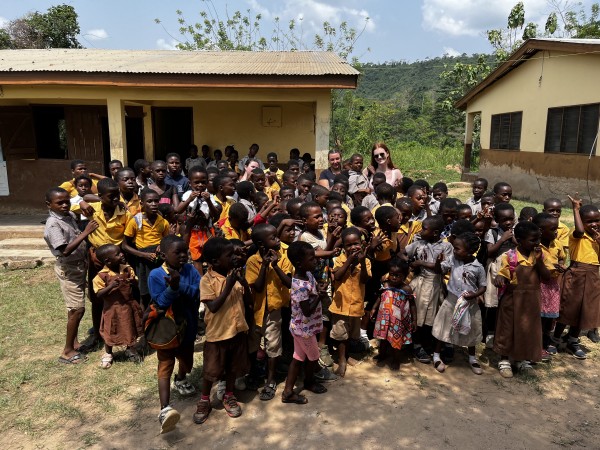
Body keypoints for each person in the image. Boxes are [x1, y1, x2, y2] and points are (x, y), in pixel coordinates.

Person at [194, 237, 251, 424]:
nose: (234, 257)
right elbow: (214, 306)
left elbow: (248, 301)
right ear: (215, 261)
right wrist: (229, 284)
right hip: (218, 335)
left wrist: (243, 283)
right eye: (229, 255)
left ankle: (228, 394)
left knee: (232, 368)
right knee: (211, 371)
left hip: (237, 331)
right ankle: (204, 400)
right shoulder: (207, 280)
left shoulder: (235, 275)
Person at [148, 235, 200, 434]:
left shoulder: (190, 270)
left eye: (185, 251)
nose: (183, 256)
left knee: (187, 361)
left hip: (188, 327)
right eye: (177, 252)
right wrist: (172, 288)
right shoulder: (155, 275)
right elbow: (160, 302)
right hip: (166, 330)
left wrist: (180, 286)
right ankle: (164, 408)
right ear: (163, 254)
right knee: (165, 365)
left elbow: (199, 292)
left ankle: (181, 378)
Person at [44, 187, 98, 364]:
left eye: (67, 201)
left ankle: (74, 342)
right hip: (69, 269)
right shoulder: (53, 224)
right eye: (60, 203)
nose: (65, 205)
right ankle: (67, 351)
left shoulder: (69, 217)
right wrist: (86, 233)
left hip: (79, 267)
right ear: (49, 205)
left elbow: (80, 200)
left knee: (75, 309)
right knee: (77, 309)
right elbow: (65, 250)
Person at [494, 221, 552, 377]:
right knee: (508, 329)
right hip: (512, 300)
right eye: (533, 240)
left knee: (527, 330)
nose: (537, 243)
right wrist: (499, 278)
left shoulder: (539, 255)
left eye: (538, 239)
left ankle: (522, 359)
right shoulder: (510, 256)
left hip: (531, 301)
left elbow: (547, 277)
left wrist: (539, 261)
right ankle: (504, 359)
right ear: (519, 240)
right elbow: (502, 275)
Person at [245, 223, 293, 401]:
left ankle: (271, 380)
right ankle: (253, 373)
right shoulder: (253, 261)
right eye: (273, 238)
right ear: (260, 243)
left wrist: (275, 266)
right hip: (256, 310)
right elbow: (257, 287)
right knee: (253, 343)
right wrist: (265, 265)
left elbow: (288, 282)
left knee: (273, 345)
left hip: (274, 310)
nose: (278, 240)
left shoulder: (283, 258)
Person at [431, 232, 487, 374]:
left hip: (470, 304)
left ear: (470, 252)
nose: (454, 251)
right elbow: (440, 270)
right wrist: (438, 262)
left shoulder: (478, 267)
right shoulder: (452, 260)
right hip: (451, 301)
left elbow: (483, 287)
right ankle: (436, 356)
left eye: (457, 249)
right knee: (444, 328)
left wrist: (474, 295)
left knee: (472, 331)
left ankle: (472, 358)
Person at [553, 196, 600, 359]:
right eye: (589, 221)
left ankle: (573, 340)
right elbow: (580, 231)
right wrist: (576, 209)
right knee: (568, 308)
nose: (594, 224)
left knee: (585, 309)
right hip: (576, 274)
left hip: (593, 276)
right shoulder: (576, 234)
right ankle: (555, 338)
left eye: (597, 220)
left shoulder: (597, 238)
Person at [282, 241, 329, 403]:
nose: (315, 261)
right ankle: (309, 382)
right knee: (313, 357)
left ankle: (288, 392)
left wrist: (318, 291)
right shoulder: (299, 285)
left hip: (303, 328)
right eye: (311, 259)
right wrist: (319, 296)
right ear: (299, 263)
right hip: (304, 330)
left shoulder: (308, 275)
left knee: (298, 358)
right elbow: (307, 310)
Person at [86, 178, 131, 345]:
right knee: (97, 296)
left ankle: (123, 332)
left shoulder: (123, 212)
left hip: (117, 260)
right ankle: (97, 333)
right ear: (100, 196)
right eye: (111, 196)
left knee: (121, 294)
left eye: (117, 195)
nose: (115, 199)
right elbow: (76, 201)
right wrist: (84, 203)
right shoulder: (91, 209)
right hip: (96, 258)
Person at [405, 215, 452, 364]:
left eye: (424, 228)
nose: (421, 230)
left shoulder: (446, 247)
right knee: (417, 316)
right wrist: (410, 262)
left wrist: (421, 262)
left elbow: (443, 268)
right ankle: (417, 345)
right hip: (419, 283)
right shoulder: (418, 243)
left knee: (433, 317)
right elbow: (404, 253)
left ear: (435, 232)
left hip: (436, 285)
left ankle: (429, 344)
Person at [93, 244, 143, 369]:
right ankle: (108, 353)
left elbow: (137, 283)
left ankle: (131, 349)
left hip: (128, 305)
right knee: (110, 330)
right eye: (117, 254)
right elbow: (99, 294)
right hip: (112, 309)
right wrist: (110, 286)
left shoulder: (127, 269)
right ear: (107, 261)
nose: (121, 255)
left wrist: (134, 282)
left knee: (129, 327)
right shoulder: (101, 276)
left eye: (120, 252)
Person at [330, 227, 371, 377]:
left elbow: (365, 280)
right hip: (340, 306)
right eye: (349, 245)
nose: (353, 247)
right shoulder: (339, 260)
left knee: (351, 335)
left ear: (361, 243)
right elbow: (338, 276)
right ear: (343, 247)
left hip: (355, 305)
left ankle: (346, 356)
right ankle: (341, 360)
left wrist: (362, 262)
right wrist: (349, 262)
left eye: (356, 243)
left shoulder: (365, 261)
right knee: (341, 335)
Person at [122, 188, 170, 308]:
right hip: (142, 260)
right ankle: (144, 322)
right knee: (145, 293)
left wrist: (161, 245)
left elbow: (167, 240)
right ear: (142, 204)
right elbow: (125, 245)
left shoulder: (163, 222)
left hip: (158, 259)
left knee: (161, 288)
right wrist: (143, 255)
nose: (154, 204)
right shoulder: (135, 221)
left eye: (156, 201)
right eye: (149, 201)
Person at [371, 258, 416, 370]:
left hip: (398, 320)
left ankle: (396, 359)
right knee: (383, 338)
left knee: (396, 339)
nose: (394, 278)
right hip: (384, 317)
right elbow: (380, 297)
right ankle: (382, 354)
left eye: (398, 275)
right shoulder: (385, 285)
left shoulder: (406, 289)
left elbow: (412, 304)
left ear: (405, 276)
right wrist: (373, 308)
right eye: (392, 274)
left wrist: (415, 320)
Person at [483, 203, 516, 348]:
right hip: (495, 270)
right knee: (493, 301)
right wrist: (503, 238)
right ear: (496, 219)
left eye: (511, 218)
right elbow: (489, 252)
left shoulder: (517, 231)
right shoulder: (492, 233)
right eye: (504, 219)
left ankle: (502, 330)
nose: (508, 222)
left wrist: (514, 238)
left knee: (507, 302)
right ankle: (490, 331)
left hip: (512, 269)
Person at [533, 212, 566, 357]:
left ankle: (545, 341)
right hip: (538, 285)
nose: (556, 232)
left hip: (552, 285)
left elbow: (561, 259)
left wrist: (560, 265)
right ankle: (536, 345)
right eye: (553, 229)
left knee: (549, 317)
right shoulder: (534, 246)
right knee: (538, 317)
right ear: (540, 231)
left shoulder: (557, 243)